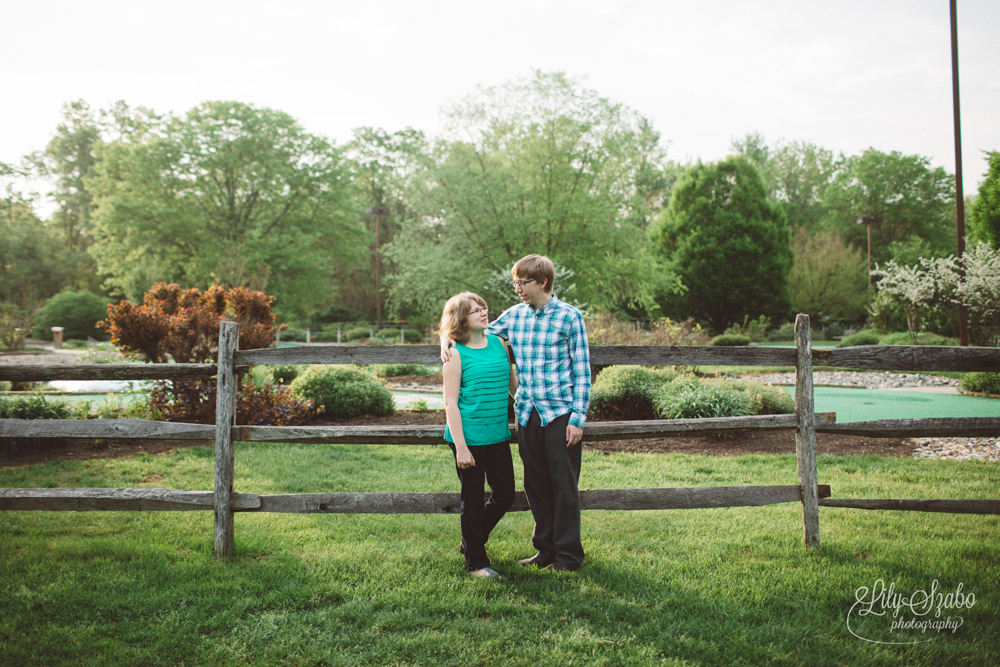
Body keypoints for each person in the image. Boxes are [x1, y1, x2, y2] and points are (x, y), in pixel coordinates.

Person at [441, 255, 591, 572]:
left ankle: (568, 557)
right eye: (515, 282)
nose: (517, 288)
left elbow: (583, 372)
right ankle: (545, 550)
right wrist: (444, 338)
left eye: (522, 282)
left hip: (560, 415)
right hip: (526, 415)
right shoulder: (514, 316)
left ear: (542, 283)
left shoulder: (569, 318)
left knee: (563, 486)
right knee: (536, 485)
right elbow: (467, 331)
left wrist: (578, 419)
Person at [439, 291, 518, 579]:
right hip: (467, 437)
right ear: (461, 319)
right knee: (471, 500)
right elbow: (450, 403)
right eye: (475, 311)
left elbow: (513, 387)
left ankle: (470, 541)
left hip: (497, 434)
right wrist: (461, 447)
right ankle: (476, 562)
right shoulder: (455, 353)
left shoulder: (499, 343)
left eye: (483, 308)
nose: (483, 313)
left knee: (505, 494)